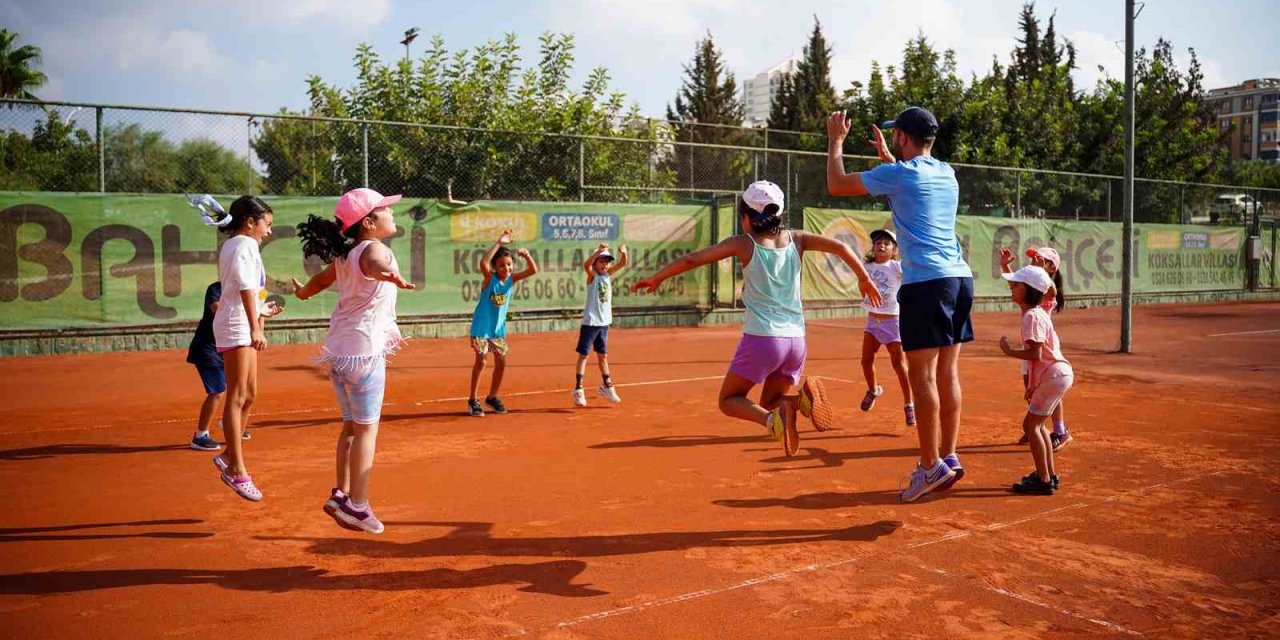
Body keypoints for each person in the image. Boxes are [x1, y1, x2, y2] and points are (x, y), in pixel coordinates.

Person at [633, 180, 882, 456]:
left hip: (763, 338)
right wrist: (865, 278)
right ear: (780, 215)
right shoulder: (797, 239)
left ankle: (771, 421)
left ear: (745, 218)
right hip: (796, 341)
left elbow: (693, 260)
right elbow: (841, 247)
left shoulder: (743, 244)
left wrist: (657, 277)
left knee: (729, 400)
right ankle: (800, 401)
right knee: (773, 400)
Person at [827, 106, 973, 502]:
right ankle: (949, 456)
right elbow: (912, 183)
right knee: (948, 373)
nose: (893, 137)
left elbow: (837, 184)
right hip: (960, 279)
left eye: (896, 134)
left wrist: (836, 141)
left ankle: (929, 469)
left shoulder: (899, 175)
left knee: (923, 378)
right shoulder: (947, 172)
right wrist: (889, 161)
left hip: (927, 284)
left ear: (903, 137)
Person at [293, 188, 414, 534]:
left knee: (350, 427)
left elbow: (320, 281)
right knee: (367, 430)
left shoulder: (345, 255)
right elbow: (375, 263)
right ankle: (358, 507)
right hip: (364, 354)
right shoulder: (376, 249)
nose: (392, 214)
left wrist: (302, 292)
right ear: (369, 222)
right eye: (385, 210)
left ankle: (341, 493)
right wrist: (387, 274)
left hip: (339, 355)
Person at [209, 195, 275, 502]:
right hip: (237, 326)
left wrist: (262, 312)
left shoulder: (237, 246)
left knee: (249, 395)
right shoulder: (243, 245)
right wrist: (255, 326)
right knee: (237, 397)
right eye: (267, 224)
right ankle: (237, 467)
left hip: (240, 321)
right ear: (250, 222)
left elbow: (242, 289)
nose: (268, 231)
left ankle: (228, 454)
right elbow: (246, 288)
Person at [999, 265, 1073, 495]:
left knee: (1030, 426)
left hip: (1054, 375)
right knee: (1038, 426)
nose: (1011, 286)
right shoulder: (1034, 313)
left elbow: (1035, 355)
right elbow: (1037, 361)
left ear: (1029, 290)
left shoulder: (1032, 316)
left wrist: (1008, 351)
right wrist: (1032, 385)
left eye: (1017, 285)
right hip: (1057, 375)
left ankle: (1043, 480)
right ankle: (1048, 475)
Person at [468, 229, 539, 417]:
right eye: (501, 266)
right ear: (495, 268)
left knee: (501, 362)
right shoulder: (489, 279)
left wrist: (527, 255)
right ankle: (473, 400)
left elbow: (533, 270)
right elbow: (483, 262)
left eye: (509, 265)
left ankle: (492, 397)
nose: (506, 269)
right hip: (481, 329)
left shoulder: (511, 280)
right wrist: (499, 242)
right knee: (481, 361)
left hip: (497, 331)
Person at [858, 229, 915, 427]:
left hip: (893, 322)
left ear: (895, 250)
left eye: (886, 243)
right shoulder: (866, 266)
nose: (881, 246)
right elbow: (862, 282)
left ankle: (909, 404)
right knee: (866, 361)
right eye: (877, 243)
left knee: (899, 365)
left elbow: (911, 277)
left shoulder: (897, 267)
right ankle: (873, 390)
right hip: (873, 321)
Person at [573, 243, 629, 407]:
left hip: (604, 323)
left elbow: (622, 263)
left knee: (603, 356)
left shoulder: (607, 275)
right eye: (601, 262)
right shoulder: (592, 277)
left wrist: (623, 252)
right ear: (595, 263)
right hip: (591, 322)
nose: (605, 265)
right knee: (584, 356)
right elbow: (586, 265)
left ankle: (607, 386)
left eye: (606, 262)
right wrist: (597, 251)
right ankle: (578, 390)